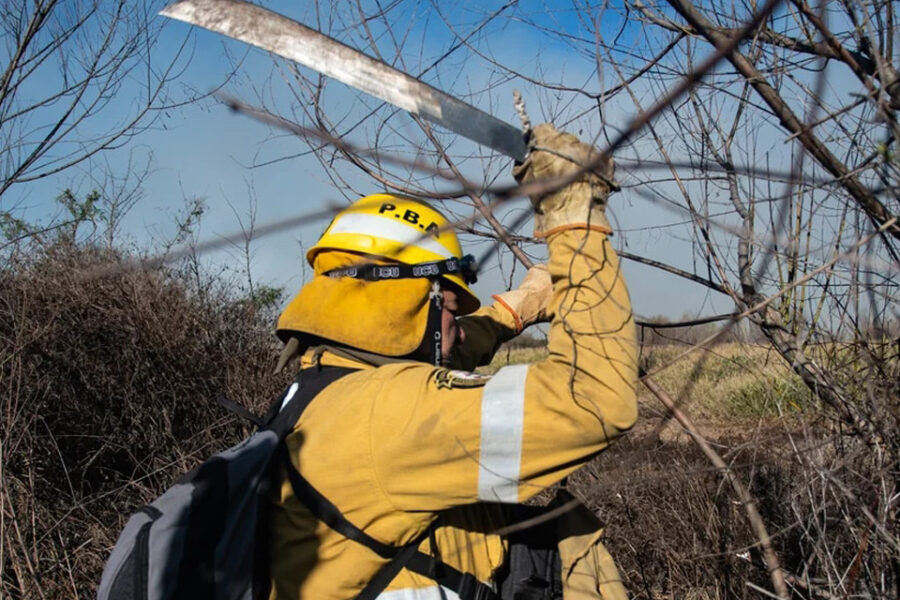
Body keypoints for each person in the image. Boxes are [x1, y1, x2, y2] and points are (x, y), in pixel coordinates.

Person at [269, 123, 638, 599]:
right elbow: (594, 399)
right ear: (404, 303)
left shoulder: (326, 384)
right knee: (570, 545)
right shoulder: (393, 413)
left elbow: (445, 345)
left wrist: (516, 310)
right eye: (448, 306)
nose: (458, 323)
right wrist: (575, 223)